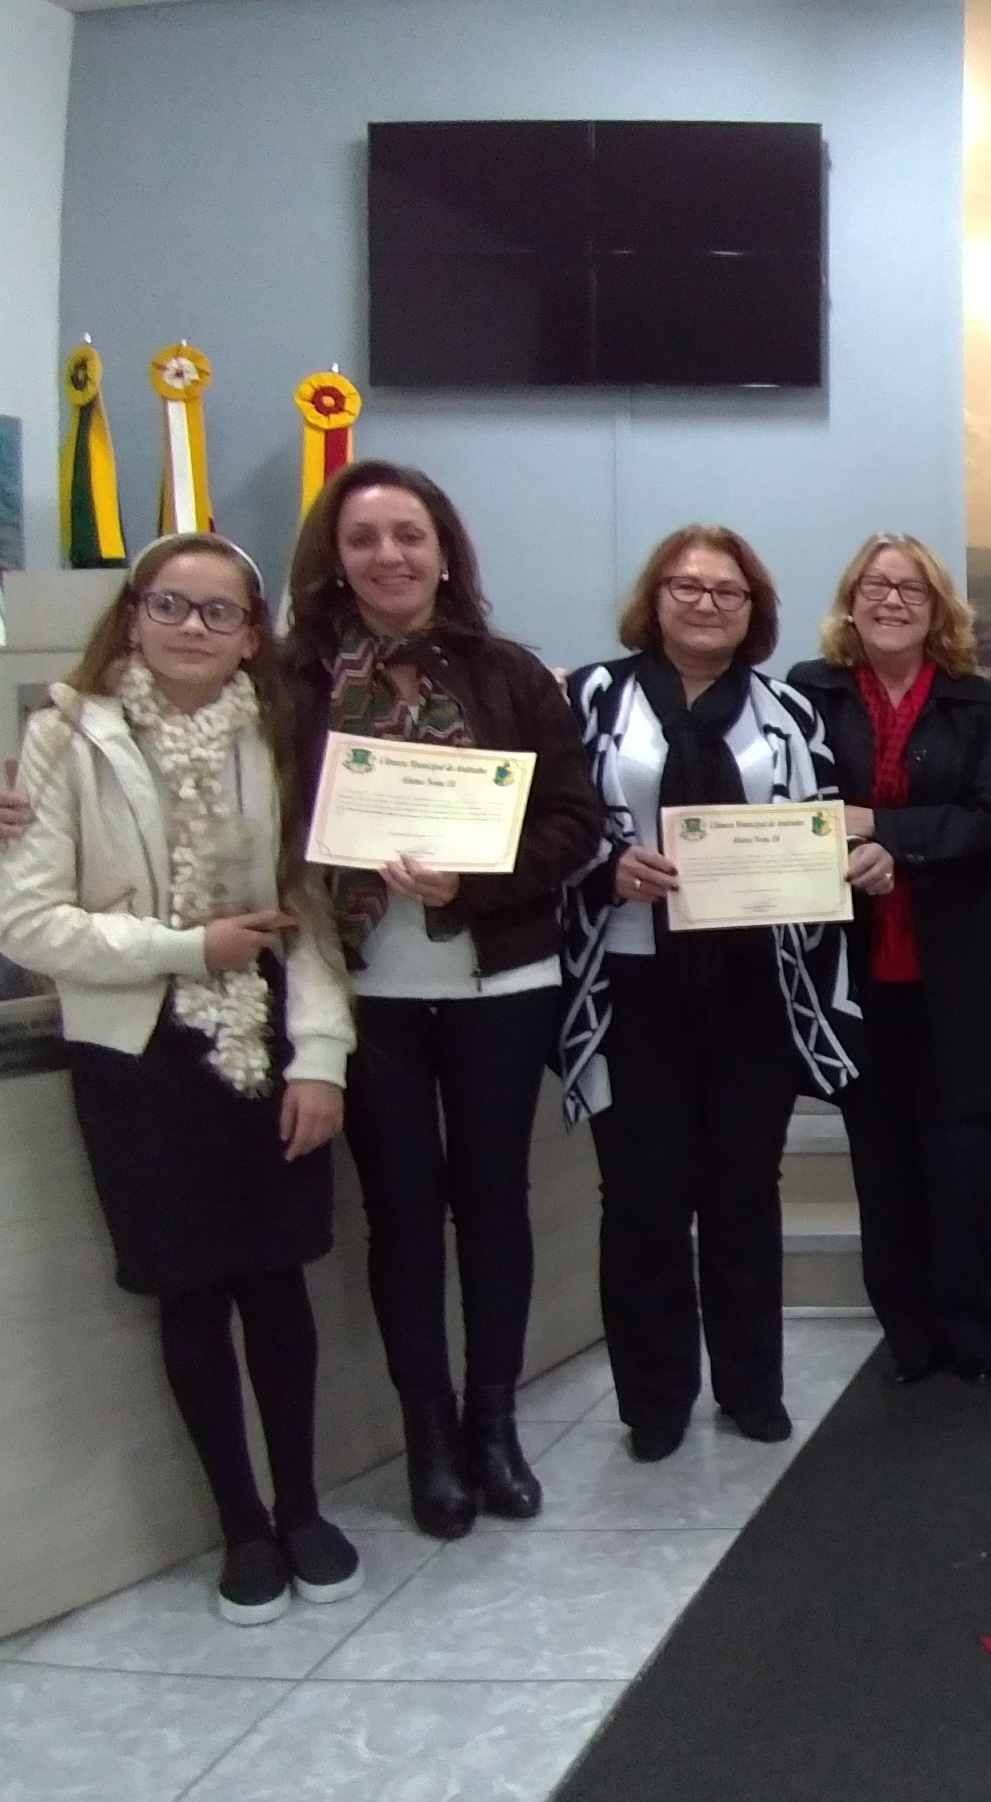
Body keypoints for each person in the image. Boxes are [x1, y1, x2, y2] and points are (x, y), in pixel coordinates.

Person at [0, 533, 362, 1624]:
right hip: (139, 1056)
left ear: (252, 635)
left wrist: (322, 1058)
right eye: (170, 606)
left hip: (267, 1045)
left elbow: (307, 913)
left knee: (278, 1286)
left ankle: (301, 1508)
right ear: (134, 615)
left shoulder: (285, 735)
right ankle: (241, 1526)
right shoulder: (66, 734)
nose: (191, 628)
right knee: (191, 1294)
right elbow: (28, 922)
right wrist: (184, 948)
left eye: (219, 612)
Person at [275, 461, 604, 1541]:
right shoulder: (293, 683)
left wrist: (474, 880)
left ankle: (493, 1424)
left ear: (444, 551)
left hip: (498, 981)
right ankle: (429, 1436)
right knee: (402, 1214)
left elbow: (573, 824)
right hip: (364, 990)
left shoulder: (511, 675)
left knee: (494, 1202)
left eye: (409, 535)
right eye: (364, 538)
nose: (389, 556)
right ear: (336, 559)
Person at [559, 526, 868, 1461]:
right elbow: (550, 818)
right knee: (640, 1198)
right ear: (653, 599)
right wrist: (605, 865)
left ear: (753, 610)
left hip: (752, 984)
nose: (705, 604)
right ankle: (654, 1402)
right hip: (630, 981)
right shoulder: (593, 698)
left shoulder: (787, 711)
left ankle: (750, 1386)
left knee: (743, 1191)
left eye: (727, 591)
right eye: (686, 587)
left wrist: (842, 862)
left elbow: (817, 823)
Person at [787, 535, 991, 1388]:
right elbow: (787, 811)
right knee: (879, 1159)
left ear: (937, 608)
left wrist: (885, 833)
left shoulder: (980, 705)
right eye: (876, 585)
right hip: (852, 971)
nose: (892, 600)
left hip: (954, 973)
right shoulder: (806, 694)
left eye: (911, 588)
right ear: (851, 600)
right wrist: (851, 844)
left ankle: (969, 1327)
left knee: (961, 1162)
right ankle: (908, 1334)